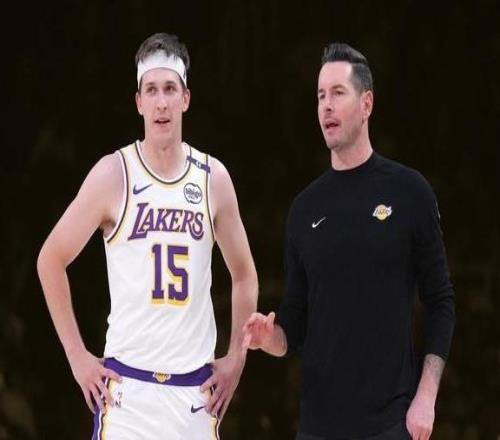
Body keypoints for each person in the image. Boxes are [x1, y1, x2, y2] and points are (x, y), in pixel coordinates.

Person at [37, 32, 258, 439]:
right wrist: (76, 356)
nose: (161, 102)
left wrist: (236, 359)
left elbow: (244, 275)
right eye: (151, 90)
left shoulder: (213, 178)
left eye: (170, 89)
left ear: (185, 99)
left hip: (193, 396)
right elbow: (50, 259)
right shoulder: (113, 173)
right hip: (128, 393)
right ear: (138, 101)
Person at [242, 43, 455, 440]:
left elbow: (441, 301)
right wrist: (270, 338)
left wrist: (426, 397)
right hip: (318, 427)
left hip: (391, 423)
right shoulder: (304, 209)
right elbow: (294, 323)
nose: (326, 106)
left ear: (366, 103)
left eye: (338, 93)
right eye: (320, 96)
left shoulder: (410, 192)